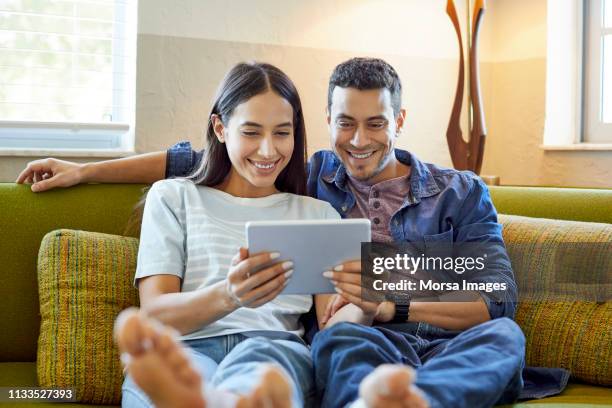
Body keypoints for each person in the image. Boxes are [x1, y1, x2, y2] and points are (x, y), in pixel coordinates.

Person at [18, 58, 527, 408]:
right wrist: (87, 170)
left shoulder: (454, 192)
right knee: (342, 342)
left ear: (400, 120)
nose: (359, 140)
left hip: (420, 342)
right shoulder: (308, 177)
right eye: (346, 123)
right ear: (327, 121)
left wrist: (387, 302)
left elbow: (495, 298)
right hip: (347, 343)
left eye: (376, 123)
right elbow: (195, 161)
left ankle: (400, 401)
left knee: (504, 335)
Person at [112, 61, 371, 408]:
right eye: (251, 132)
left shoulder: (317, 214)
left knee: (259, 368)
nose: (268, 150)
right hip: (185, 348)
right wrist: (230, 294)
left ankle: (224, 400)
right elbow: (155, 315)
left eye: (282, 132)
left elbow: (331, 323)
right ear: (220, 128)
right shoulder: (173, 197)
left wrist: (365, 307)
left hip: (272, 348)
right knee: (175, 373)